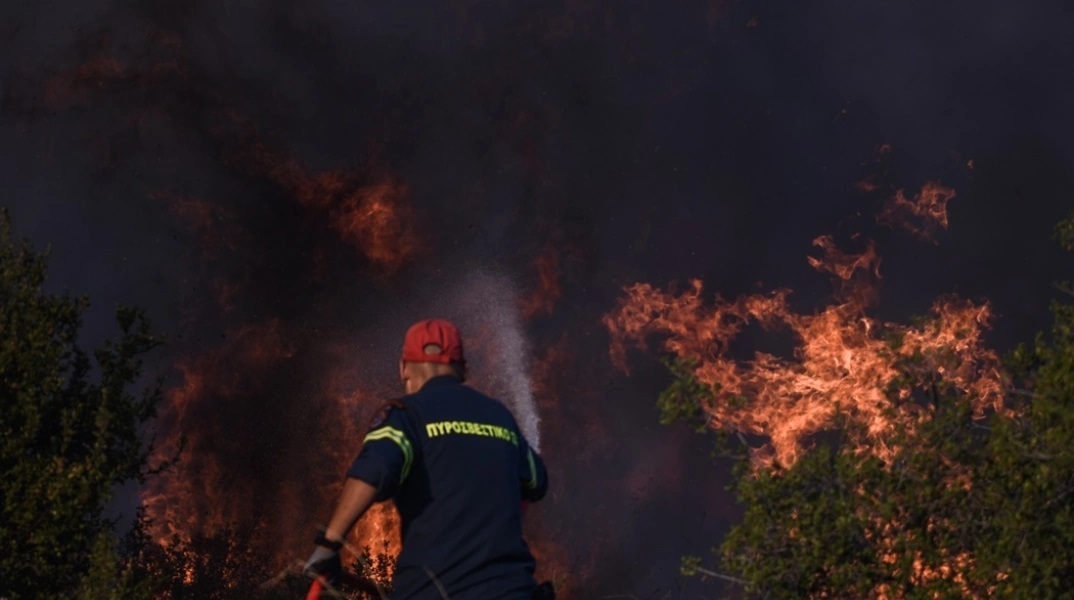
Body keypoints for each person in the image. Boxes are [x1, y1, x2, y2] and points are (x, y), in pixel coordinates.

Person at [305, 318, 549, 599]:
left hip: (437, 590)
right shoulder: (501, 418)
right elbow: (536, 482)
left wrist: (329, 544)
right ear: (463, 369)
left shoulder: (407, 415)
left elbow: (374, 470)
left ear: (404, 368)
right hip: (513, 590)